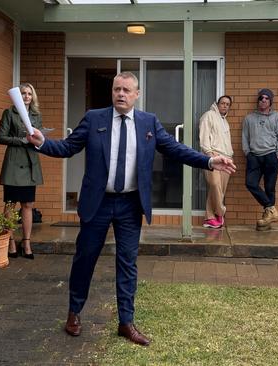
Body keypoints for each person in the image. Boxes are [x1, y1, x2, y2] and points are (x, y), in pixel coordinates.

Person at [26, 72, 236, 345]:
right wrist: (42, 142)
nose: (120, 94)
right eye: (116, 89)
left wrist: (208, 162)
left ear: (136, 94)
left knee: (127, 263)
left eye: (126, 90)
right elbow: (68, 147)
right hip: (98, 203)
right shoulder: (94, 118)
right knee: (84, 259)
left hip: (129, 204)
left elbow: (175, 149)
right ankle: (74, 313)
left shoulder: (148, 122)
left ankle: (126, 322)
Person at [0, 83, 43, 259]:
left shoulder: (36, 115)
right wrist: (21, 140)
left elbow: (38, 138)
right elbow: (1, 137)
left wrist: (39, 139)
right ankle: (10, 241)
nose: (26, 96)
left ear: (33, 97)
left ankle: (26, 242)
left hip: (30, 162)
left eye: (29, 94)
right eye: (23, 93)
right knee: (10, 203)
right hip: (14, 162)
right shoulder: (9, 113)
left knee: (28, 204)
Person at [242, 88, 278, 231]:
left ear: (270, 101)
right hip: (254, 156)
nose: (263, 100)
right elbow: (245, 137)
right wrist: (247, 153)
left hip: (271, 156)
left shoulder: (277, 117)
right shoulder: (249, 118)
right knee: (250, 183)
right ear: (258, 100)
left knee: (269, 188)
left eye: (267, 98)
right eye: (261, 98)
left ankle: (266, 221)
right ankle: (271, 209)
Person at [199, 96, 234, 229]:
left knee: (219, 190)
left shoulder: (225, 122)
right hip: (213, 157)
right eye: (223, 103)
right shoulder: (209, 116)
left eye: (227, 104)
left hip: (226, 158)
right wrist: (209, 153)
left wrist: (230, 157)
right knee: (215, 185)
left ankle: (210, 218)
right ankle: (220, 211)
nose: (225, 106)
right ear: (217, 104)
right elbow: (204, 136)